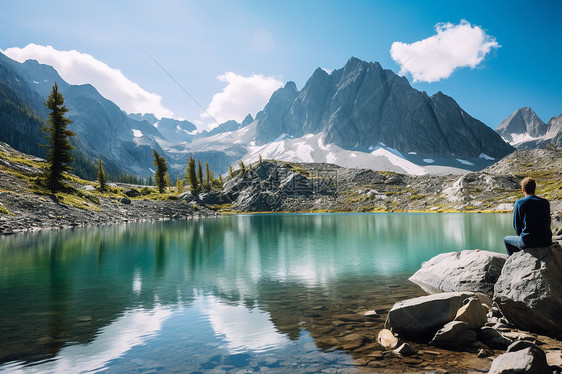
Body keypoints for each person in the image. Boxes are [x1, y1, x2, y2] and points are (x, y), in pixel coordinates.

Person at [504, 177, 552, 255]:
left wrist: (523, 236)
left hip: (529, 242)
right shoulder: (545, 202)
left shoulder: (519, 203)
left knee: (506, 239)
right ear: (534, 188)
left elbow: (517, 226)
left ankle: (514, 262)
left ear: (523, 189)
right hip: (546, 241)